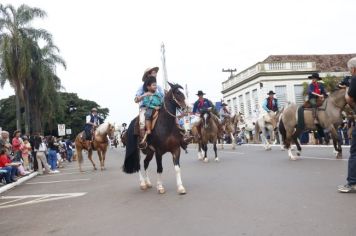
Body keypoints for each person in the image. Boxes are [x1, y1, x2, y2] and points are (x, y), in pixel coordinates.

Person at [338, 57, 356, 193]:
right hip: (316, 97)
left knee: (354, 152)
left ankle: (352, 183)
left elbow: (349, 98)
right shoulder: (312, 86)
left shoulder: (354, 78)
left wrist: (347, 87)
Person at [134, 67, 163, 142]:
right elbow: (136, 99)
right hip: (146, 108)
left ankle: (182, 134)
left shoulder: (158, 87)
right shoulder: (142, 87)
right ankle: (143, 140)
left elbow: (162, 97)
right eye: (153, 72)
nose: (155, 74)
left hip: (159, 106)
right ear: (148, 75)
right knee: (142, 122)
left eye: (155, 72)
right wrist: (143, 96)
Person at [140, 76, 163, 146]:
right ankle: (149, 129)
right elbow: (146, 103)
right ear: (148, 87)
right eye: (153, 85)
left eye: (155, 85)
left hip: (159, 108)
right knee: (148, 114)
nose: (155, 86)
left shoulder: (158, 94)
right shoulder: (147, 94)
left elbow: (161, 101)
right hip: (150, 108)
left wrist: (160, 106)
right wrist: (153, 107)